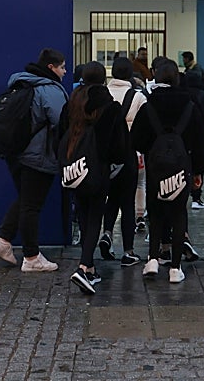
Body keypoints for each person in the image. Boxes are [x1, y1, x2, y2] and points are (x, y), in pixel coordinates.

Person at [130, 59, 204, 284]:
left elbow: (136, 138)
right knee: (178, 214)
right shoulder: (190, 104)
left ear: (155, 77)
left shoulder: (148, 105)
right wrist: (198, 170)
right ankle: (175, 267)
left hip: (156, 166)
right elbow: (201, 137)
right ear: (177, 78)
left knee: (155, 212)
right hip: (182, 167)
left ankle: (152, 259)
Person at [0, 47, 68, 273]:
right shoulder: (50, 90)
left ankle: (4, 240)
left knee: (26, 199)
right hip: (38, 156)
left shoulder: (20, 83)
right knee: (32, 206)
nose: (65, 71)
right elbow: (61, 122)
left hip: (15, 153)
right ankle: (31, 257)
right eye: (62, 67)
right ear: (51, 67)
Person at [58, 62, 129, 295]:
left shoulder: (72, 103)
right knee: (95, 218)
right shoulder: (110, 106)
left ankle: (88, 267)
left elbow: (59, 135)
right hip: (99, 168)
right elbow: (119, 145)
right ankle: (83, 266)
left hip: (74, 167)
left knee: (82, 214)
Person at [99, 57, 148, 266]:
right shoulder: (138, 97)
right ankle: (128, 252)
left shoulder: (103, 95)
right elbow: (146, 125)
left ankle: (107, 233)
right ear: (130, 75)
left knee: (111, 198)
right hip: (130, 155)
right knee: (127, 202)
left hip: (105, 156)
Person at [180, 51, 204, 209]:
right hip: (197, 139)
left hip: (183, 140)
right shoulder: (203, 96)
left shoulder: (182, 96)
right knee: (197, 168)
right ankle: (196, 197)